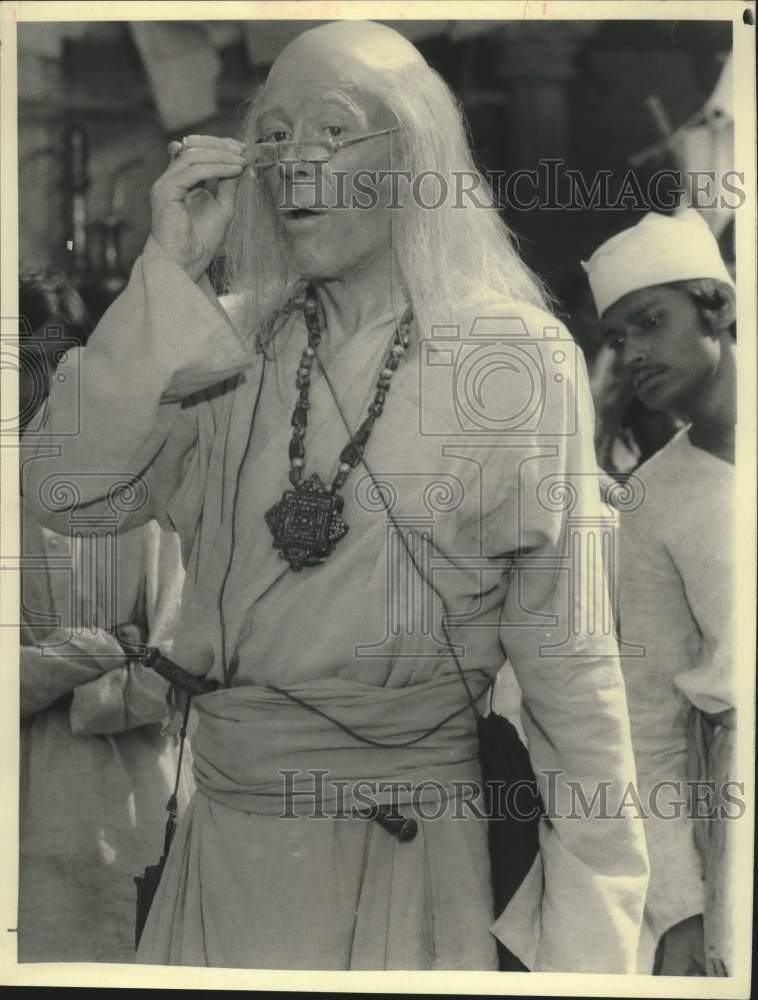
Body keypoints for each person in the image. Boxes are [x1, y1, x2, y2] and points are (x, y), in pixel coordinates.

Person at [23, 21, 648, 971]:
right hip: (223, 862)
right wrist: (169, 274)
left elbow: (574, 678)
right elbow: (64, 493)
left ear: (417, 156)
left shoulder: (513, 357)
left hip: (409, 869)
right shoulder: (217, 340)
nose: (292, 163)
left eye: (330, 131)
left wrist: (590, 956)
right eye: (272, 136)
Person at [18, 269, 191, 962]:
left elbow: (177, 660)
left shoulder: (141, 496)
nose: (49, 386)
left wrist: (66, 687)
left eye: (66, 363)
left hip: (135, 811)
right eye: (30, 364)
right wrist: (100, 649)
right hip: (23, 815)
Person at [582, 208, 737, 976]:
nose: (633, 354)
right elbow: (648, 724)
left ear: (722, 306)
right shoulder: (649, 501)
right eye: (618, 339)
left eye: (650, 321)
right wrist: (680, 907)